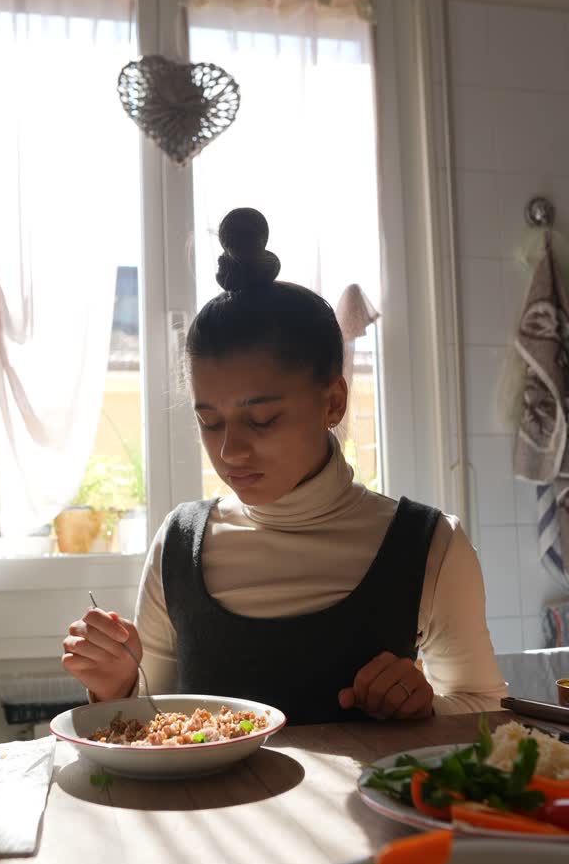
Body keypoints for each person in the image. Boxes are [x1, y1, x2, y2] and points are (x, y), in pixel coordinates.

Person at [62, 207, 506, 723]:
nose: (230, 452)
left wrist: (424, 705)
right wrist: (115, 687)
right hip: (208, 810)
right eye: (210, 423)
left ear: (333, 403)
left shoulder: (429, 545)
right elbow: (154, 718)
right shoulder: (179, 545)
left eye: (264, 420)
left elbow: (488, 711)